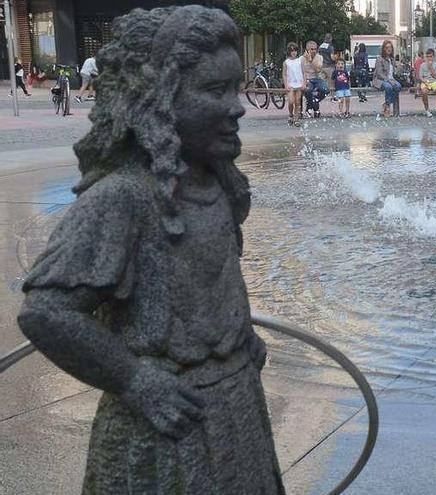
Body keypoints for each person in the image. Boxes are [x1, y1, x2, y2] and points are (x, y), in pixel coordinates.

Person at [18, 7, 284, 493]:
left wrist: (238, 336)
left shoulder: (216, 184)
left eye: (234, 87)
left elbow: (212, 280)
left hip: (237, 411)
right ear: (161, 98)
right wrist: (132, 379)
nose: (237, 106)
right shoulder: (124, 197)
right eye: (213, 90)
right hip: (166, 433)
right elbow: (47, 311)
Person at [372, 40, 401, 118]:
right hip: (380, 80)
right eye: (387, 47)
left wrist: (398, 67)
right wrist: (389, 80)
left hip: (391, 80)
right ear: (384, 49)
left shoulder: (392, 59)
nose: (389, 49)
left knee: (398, 86)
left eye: (390, 47)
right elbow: (379, 73)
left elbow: (396, 73)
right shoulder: (380, 59)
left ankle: (386, 104)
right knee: (389, 87)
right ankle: (387, 107)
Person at [302, 40, 328, 118]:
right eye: (311, 49)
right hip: (307, 79)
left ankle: (312, 103)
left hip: (317, 78)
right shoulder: (301, 59)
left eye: (315, 49)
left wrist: (310, 60)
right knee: (308, 90)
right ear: (307, 50)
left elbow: (318, 70)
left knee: (325, 89)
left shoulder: (319, 57)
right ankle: (315, 107)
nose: (314, 51)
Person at [282, 42, 305, 126]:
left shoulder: (300, 61)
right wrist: (286, 84)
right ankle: (290, 114)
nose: (294, 52)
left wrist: (304, 83)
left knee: (297, 101)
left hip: (299, 83)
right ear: (289, 52)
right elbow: (284, 74)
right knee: (291, 101)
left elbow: (303, 72)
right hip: (290, 84)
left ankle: (296, 118)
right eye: (292, 51)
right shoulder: (286, 62)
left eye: (295, 50)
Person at [419, 48, 436, 118]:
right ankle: (427, 110)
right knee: (424, 92)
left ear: (433, 57)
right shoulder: (422, 65)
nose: (429, 58)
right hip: (426, 81)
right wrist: (424, 82)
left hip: (435, 81)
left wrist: (430, 68)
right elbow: (420, 76)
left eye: (430, 56)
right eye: (427, 56)